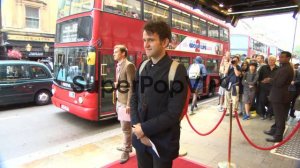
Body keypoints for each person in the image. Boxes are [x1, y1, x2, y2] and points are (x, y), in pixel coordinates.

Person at [131, 20, 188, 168]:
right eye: (144, 40)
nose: (146, 44)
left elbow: (173, 113)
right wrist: (137, 128)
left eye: (151, 40)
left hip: (162, 141)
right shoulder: (142, 66)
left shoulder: (177, 70)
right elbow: (134, 98)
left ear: (164, 42)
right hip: (140, 139)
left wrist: (144, 129)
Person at [264, 51, 294, 142]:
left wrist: (269, 80)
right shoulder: (284, 67)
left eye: (282, 57)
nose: (279, 58)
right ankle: (274, 131)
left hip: (280, 96)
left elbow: (279, 83)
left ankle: (278, 137)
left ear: (288, 58)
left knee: (280, 117)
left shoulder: (286, 69)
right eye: (279, 57)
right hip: (279, 95)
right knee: (278, 116)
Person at [113, 44, 136, 163]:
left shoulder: (128, 65)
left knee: (126, 127)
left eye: (116, 52)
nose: (113, 53)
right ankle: (127, 144)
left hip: (125, 102)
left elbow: (132, 86)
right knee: (125, 127)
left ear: (123, 53)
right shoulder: (119, 65)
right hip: (119, 100)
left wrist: (128, 104)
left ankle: (126, 150)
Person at [257, 56, 278, 120]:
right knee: (262, 101)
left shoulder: (279, 68)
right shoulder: (263, 67)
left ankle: (269, 114)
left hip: (273, 88)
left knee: (271, 101)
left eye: (272, 60)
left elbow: (279, 79)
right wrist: (262, 81)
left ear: (275, 61)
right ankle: (262, 114)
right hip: (263, 87)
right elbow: (259, 77)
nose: (270, 61)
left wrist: (271, 80)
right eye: (269, 60)